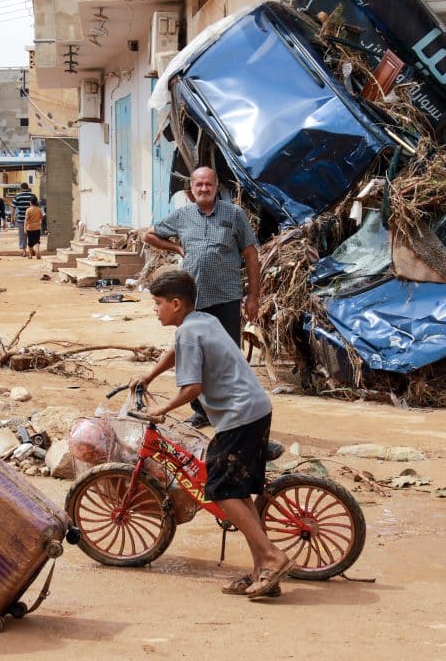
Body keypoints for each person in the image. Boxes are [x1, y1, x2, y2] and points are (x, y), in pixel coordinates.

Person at [131, 270, 292, 600]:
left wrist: (161, 410)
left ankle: (274, 557)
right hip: (254, 408)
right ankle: (261, 569)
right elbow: (177, 352)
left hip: (239, 415)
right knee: (238, 492)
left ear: (176, 304)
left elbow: (193, 388)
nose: (155, 309)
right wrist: (149, 375)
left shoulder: (190, 333)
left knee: (218, 490)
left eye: (158, 303)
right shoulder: (201, 321)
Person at [143, 166, 261, 428]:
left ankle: (233, 409)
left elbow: (251, 256)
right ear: (192, 189)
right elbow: (148, 234)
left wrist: (253, 297)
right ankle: (201, 410)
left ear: (216, 187)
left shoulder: (234, 215)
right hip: (192, 302)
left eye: (208, 184)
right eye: (199, 185)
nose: (204, 189)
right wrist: (176, 247)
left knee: (227, 356)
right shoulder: (182, 216)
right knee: (193, 356)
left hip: (226, 298)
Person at [12, 182, 34, 256]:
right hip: (32, 220)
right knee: (31, 235)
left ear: (21, 188)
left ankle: (24, 251)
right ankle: (31, 250)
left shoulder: (18, 196)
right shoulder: (32, 195)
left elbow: (13, 207)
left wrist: (12, 217)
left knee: (22, 235)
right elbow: (37, 206)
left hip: (21, 219)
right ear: (27, 187)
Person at [24, 195, 43, 260]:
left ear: (31, 202)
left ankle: (30, 255)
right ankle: (37, 251)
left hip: (30, 228)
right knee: (37, 241)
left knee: (30, 242)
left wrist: (25, 228)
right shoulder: (39, 209)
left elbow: (26, 220)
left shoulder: (28, 210)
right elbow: (41, 218)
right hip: (37, 227)